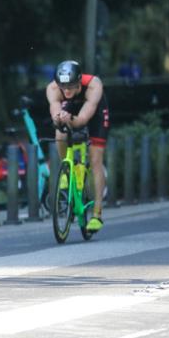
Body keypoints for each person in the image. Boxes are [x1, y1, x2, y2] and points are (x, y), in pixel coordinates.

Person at [46, 60, 109, 232]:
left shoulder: (94, 85)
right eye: (63, 86)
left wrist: (71, 120)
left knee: (95, 158)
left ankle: (97, 213)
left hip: (94, 111)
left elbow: (82, 120)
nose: (66, 90)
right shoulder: (53, 88)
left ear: (79, 82)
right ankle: (66, 170)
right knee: (60, 132)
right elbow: (55, 110)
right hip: (71, 108)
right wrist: (58, 118)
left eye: (71, 86)